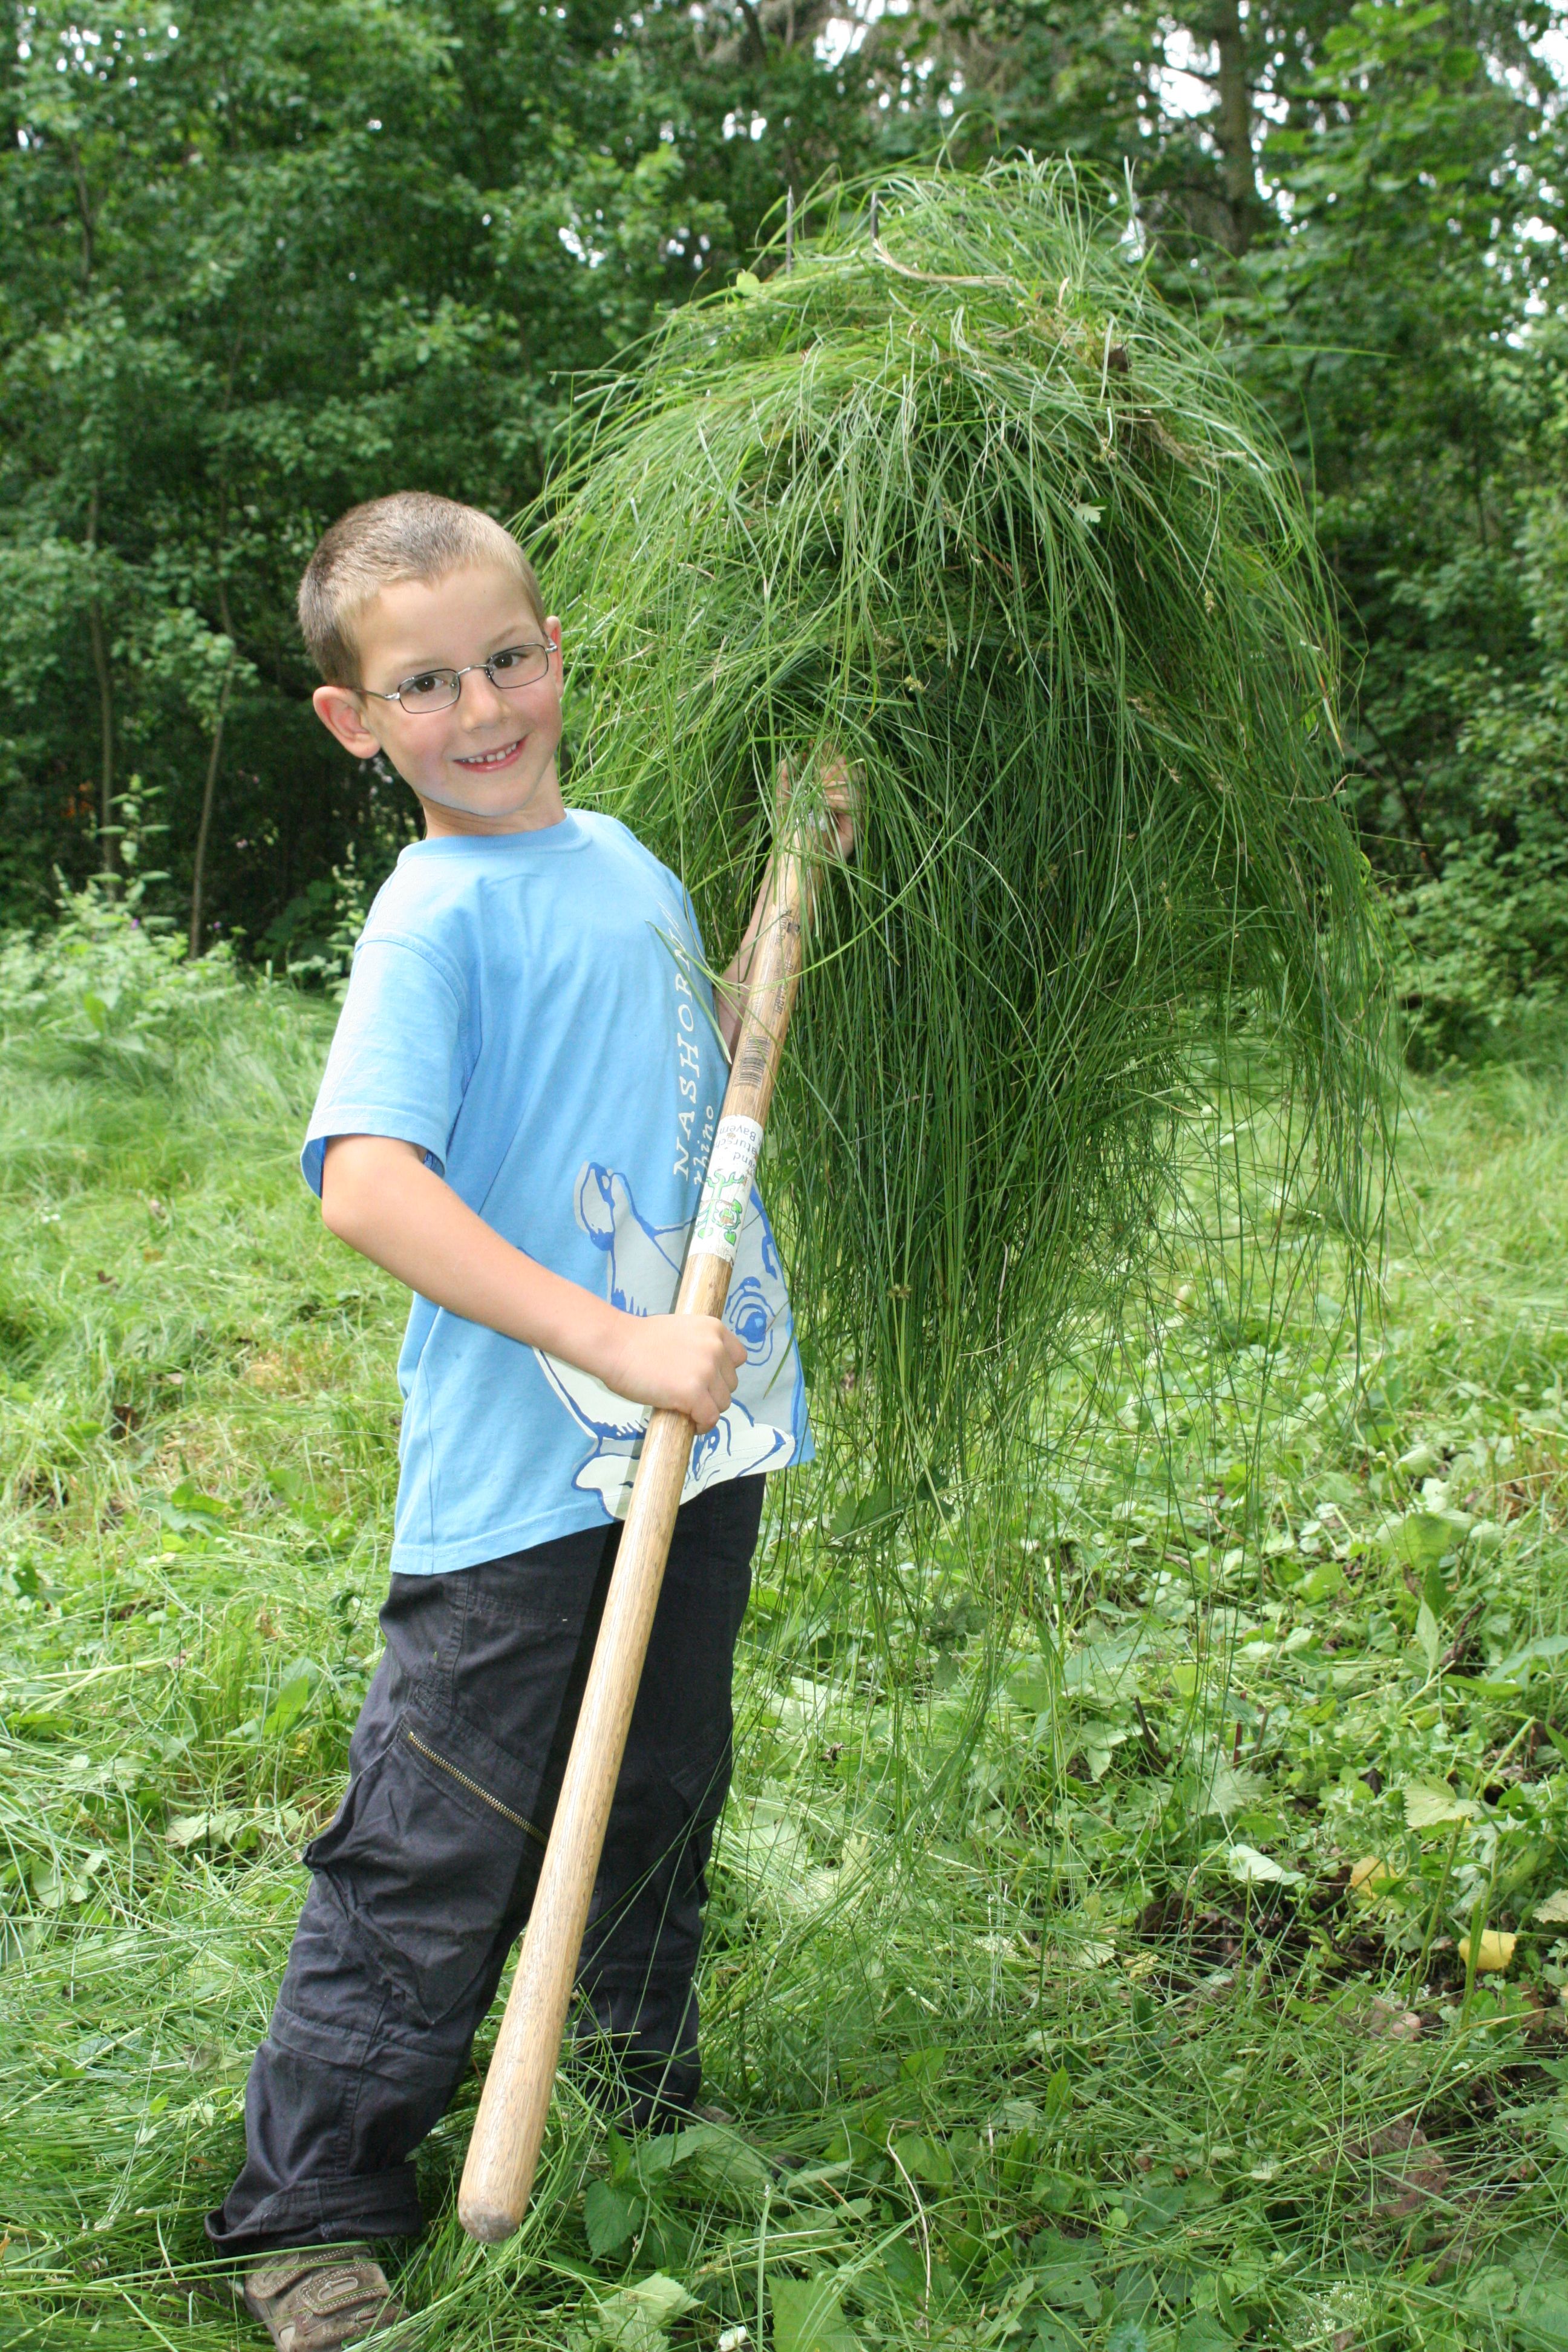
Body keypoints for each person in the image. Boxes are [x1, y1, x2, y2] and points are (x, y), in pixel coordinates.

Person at [207, 492, 851, 2350]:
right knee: (440, 1834)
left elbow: (677, 1060)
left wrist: (770, 941)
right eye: (426, 683)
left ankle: (635, 2116)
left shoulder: (625, 859)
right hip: (525, 1483)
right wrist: (611, 1338)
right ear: (358, 721)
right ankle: (313, 2203)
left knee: (656, 1792)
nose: (482, 704)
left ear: (554, 649)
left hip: (693, 1443)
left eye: (508, 656)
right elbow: (367, 1182)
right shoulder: (432, 920)